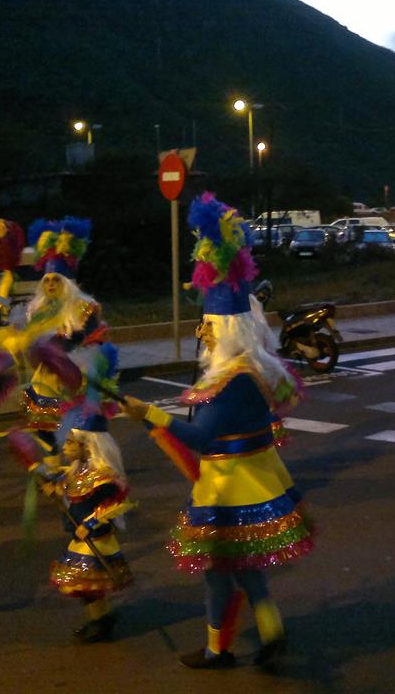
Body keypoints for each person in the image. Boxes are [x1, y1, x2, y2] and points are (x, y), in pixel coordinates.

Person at [122, 191, 313, 669]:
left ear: (224, 330)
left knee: (218, 570)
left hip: (228, 492)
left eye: (206, 327)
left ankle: (220, 649)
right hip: (255, 482)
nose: (201, 335)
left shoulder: (229, 381)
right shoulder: (256, 369)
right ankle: (266, 631)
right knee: (243, 568)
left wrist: (148, 414)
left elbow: (198, 438)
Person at [0, 217, 105, 466]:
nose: (50, 284)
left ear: (67, 284)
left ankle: (86, 472)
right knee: (44, 430)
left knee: (79, 436)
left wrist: (51, 346)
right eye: (46, 280)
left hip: (74, 380)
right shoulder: (37, 311)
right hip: (45, 382)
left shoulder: (85, 308)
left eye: (56, 280)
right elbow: (29, 345)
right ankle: (54, 470)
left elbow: (79, 340)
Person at [41, 376, 134, 644]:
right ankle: (100, 619)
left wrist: (91, 524)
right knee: (87, 588)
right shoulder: (76, 472)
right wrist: (53, 489)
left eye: (70, 443)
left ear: (88, 444)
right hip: (80, 539)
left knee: (87, 586)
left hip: (96, 540)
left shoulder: (103, 477)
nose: (65, 448)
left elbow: (115, 505)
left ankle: (101, 621)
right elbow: (65, 488)